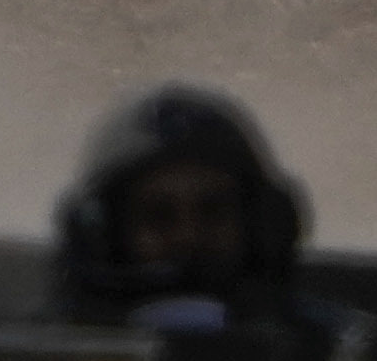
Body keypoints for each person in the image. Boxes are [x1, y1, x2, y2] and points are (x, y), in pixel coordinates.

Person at [46, 82, 312, 318]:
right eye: (159, 216)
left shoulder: (334, 357)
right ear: (104, 236)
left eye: (214, 211)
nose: (188, 237)